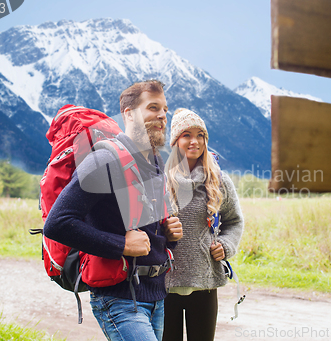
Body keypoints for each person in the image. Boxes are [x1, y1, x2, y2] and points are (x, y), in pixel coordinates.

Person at [44, 80, 183, 341]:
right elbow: (58, 223)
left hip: (156, 297)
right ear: (129, 113)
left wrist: (170, 236)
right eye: (153, 107)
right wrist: (120, 245)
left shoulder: (154, 162)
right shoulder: (104, 160)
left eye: (165, 109)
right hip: (119, 299)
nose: (163, 116)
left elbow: (149, 236)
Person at [162, 108, 244, 341]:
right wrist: (163, 231)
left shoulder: (218, 180)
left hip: (205, 283)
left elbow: (234, 221)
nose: (194, 141)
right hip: (165, 283)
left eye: (200, 135)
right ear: (175, 140)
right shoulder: (160, 180)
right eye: (186, 134)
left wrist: (226, 245)